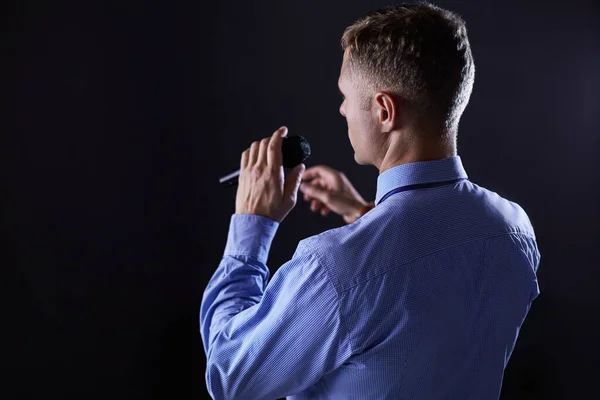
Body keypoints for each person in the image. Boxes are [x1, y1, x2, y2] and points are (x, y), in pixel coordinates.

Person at [200, 3, 541, 399]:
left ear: (383, 110)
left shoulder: (333, 268)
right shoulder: (514, 231)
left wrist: (251, 224)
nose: (342, 109)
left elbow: (229, 375)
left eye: (345, 94)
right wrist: (363, 214)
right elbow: (424, 286)